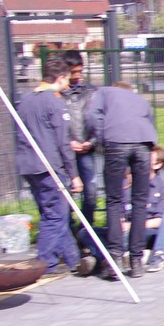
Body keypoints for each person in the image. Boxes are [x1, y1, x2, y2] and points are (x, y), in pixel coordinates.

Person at [14, 55, 91, 275]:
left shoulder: (25, 100)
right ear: (60, 78)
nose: (67, 85)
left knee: (55, 213)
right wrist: (74, 174)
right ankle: (45, 263)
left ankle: (72, 258)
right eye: (66, 80)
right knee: (55, 216)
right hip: (49, 167)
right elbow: (62, 142)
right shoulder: (54, 103)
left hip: (28, 165)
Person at [86, 81, 157, 279]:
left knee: (114, 201)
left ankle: (115, 259)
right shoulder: (140, 99)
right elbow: (150, 122)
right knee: (140, 202)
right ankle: (137, 262)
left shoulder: (104, 92)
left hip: (116, 142)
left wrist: (102, 138)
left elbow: (92, 115)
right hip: (143, 143)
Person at [61, 50, 98, 228]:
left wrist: (91, 142)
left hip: (86, 149)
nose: (77, 76)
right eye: (73, 72)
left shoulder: (91, 92)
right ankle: (67, 228)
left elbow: (100, 119)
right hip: (65, 150)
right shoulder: (57, 94)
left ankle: (86, 228)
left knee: (91, 191)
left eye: (80, 71)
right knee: (65, 192)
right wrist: (68, 142)